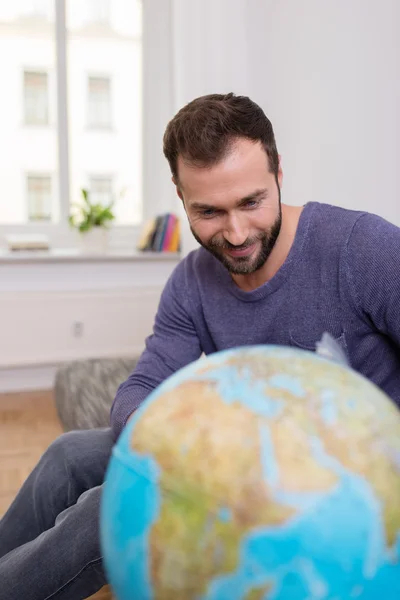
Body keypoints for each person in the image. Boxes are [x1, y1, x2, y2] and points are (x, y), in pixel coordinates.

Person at [1, 92, 400, 599]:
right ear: (180, 195)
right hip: (243, 453)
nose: (235, 234)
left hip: (348, 486)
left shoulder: (362, 249)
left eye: (251, 202)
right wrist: (176, 448)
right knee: (69, 455)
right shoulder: (192, 281)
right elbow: (146, 383)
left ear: (279, 173)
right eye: (209, 211)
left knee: (113, 505)